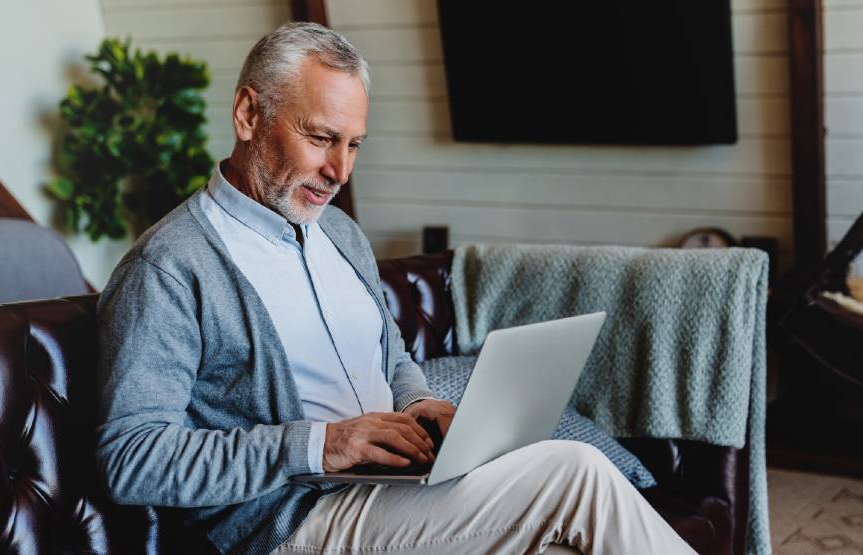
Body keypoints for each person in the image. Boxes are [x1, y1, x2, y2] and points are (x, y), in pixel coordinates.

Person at [95, 22, 695, 555]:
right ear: (249, 114)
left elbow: (390, 356)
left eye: (353, 144)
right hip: (294, 521)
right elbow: (132, 459)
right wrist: (322, 446)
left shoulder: (340, 234)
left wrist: (415, 405)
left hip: (394, 490)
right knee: (576, 473)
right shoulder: (168, 267)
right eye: (321, 137)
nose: (340, 171)